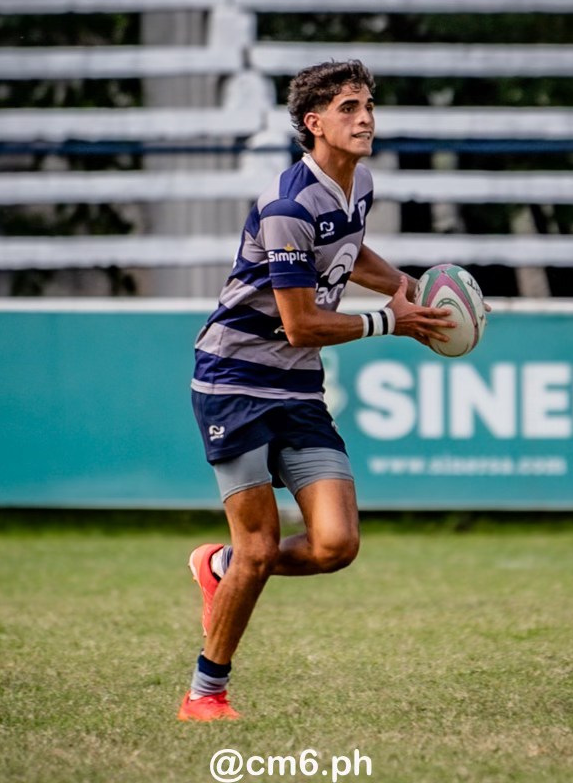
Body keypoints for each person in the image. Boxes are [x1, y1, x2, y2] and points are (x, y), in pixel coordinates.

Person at [177, 60, 455, 722]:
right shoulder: (288, 205)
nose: (365, 118)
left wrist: (411, 288)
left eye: (369, 106)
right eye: (349, 108)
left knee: (336, 545)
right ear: (315, 123)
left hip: (297, 388)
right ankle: (205, 694)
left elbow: (350, 252)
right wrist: (391, 321)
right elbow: (301, 324)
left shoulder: (359, 185)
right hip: (234, 383)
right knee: (260, 548)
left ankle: (218, 567)